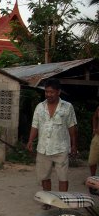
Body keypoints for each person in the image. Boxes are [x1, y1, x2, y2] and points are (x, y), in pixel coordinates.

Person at [27, 78, 77, 208]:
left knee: (63, 177)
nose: (49, 94)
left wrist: (74, 145)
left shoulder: (67, 107)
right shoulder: (40, 107)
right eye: (47, 92)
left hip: (61, 147)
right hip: (43, 148)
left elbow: (72, 127)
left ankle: (62, 202)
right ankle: (48, 201)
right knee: (45, 176)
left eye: (52, 92)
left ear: (58, 92)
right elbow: (35, 125)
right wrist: (30, 140)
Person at [87, 106, 99, 195]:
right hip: (97, 137)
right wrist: (94, 129)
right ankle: (93, 181)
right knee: (92, 161)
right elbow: (95, 116)